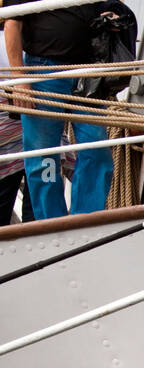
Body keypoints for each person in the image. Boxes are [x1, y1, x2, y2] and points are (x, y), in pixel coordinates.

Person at [3, 1, 112, 219]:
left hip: (89, 70)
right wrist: (20, 78)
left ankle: (88, 219)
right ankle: (50, 221)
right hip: (43, 72)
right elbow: (12, 23)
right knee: (43, 155)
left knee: (97, 148)